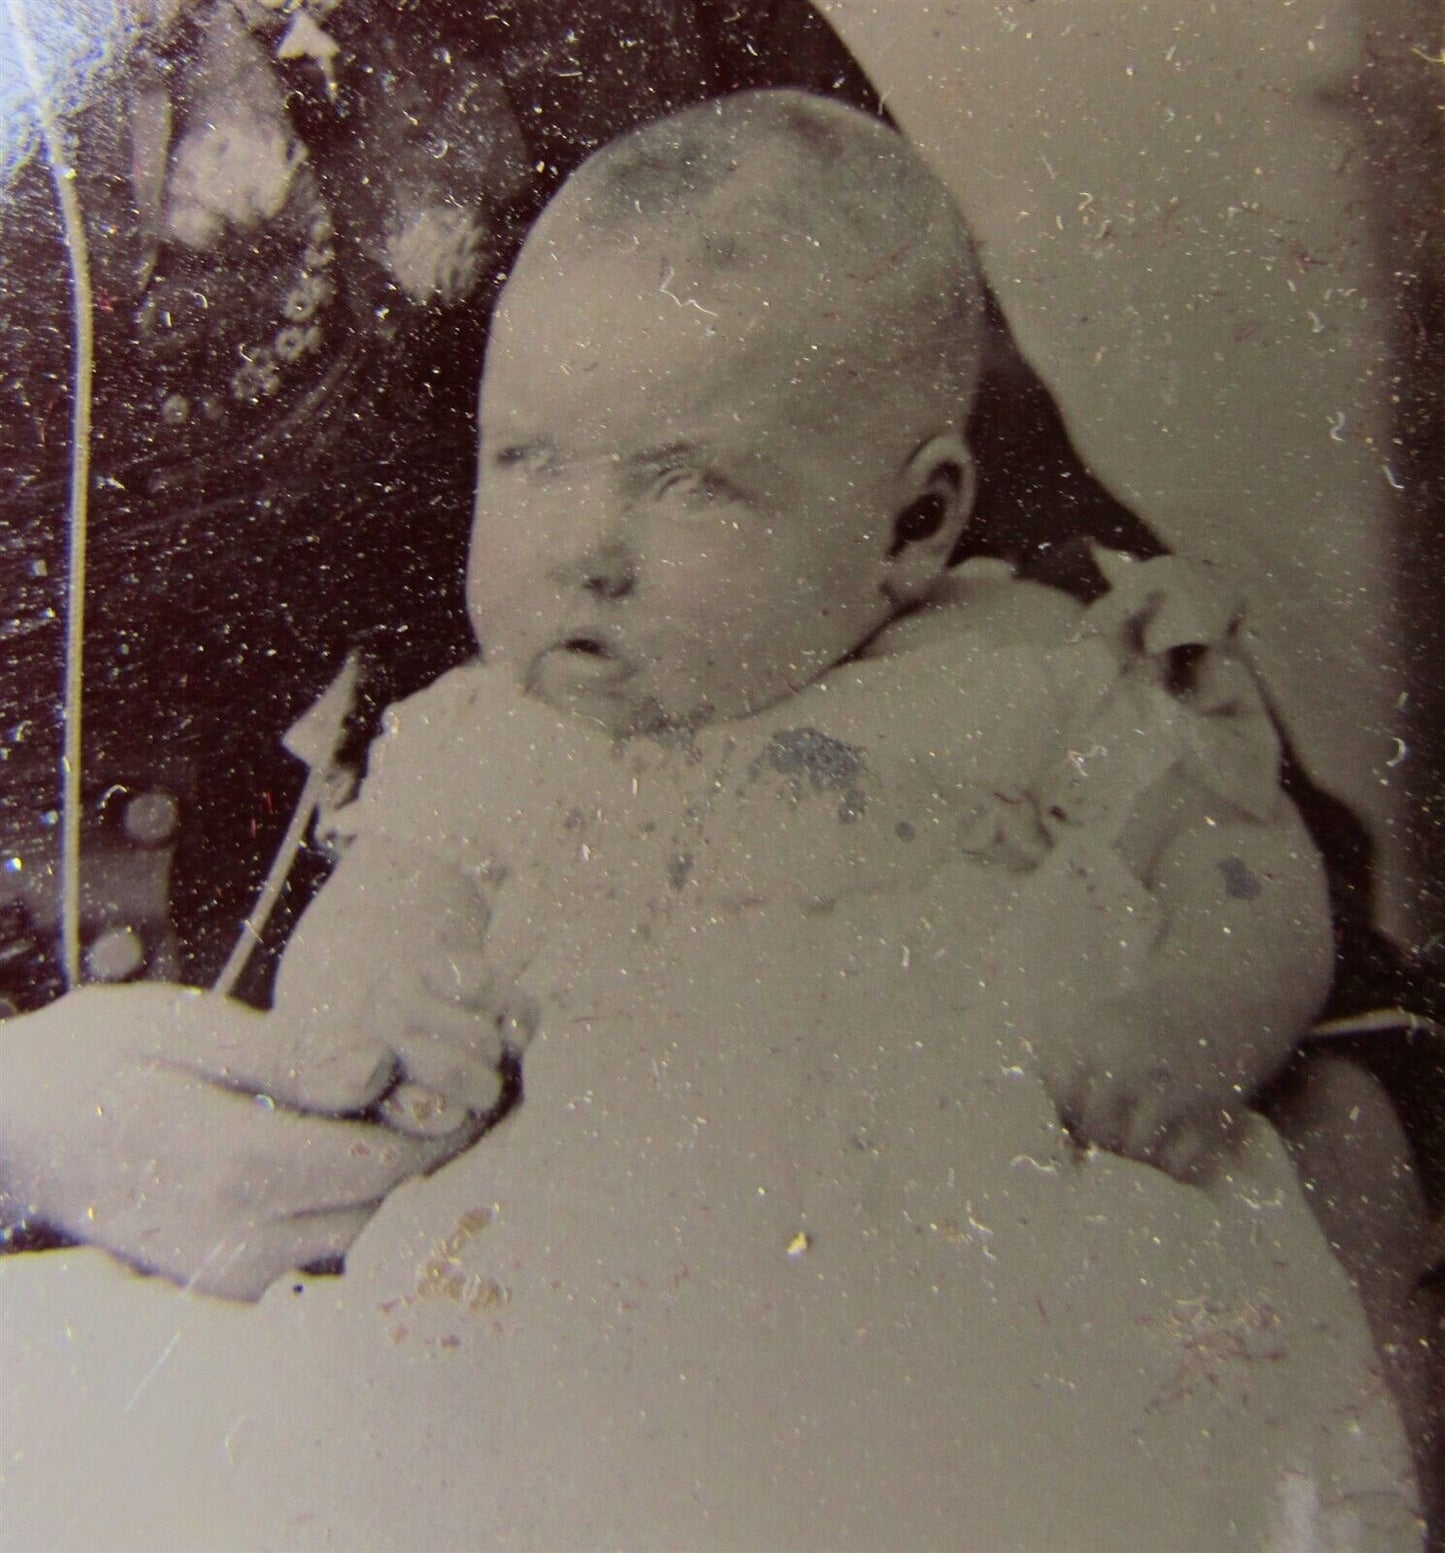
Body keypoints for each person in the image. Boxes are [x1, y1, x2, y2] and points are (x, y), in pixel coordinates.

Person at [0, 89, 1334, 1305]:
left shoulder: (1017, 672)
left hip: (998, 1267)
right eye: (524, 461)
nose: (584, 548)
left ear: (914, 522)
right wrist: (381, 1016)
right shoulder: (491, 740)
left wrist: (1194, 1027)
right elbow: (381, 914)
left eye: (687, 481)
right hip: (601, 1291)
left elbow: (1239, 860)